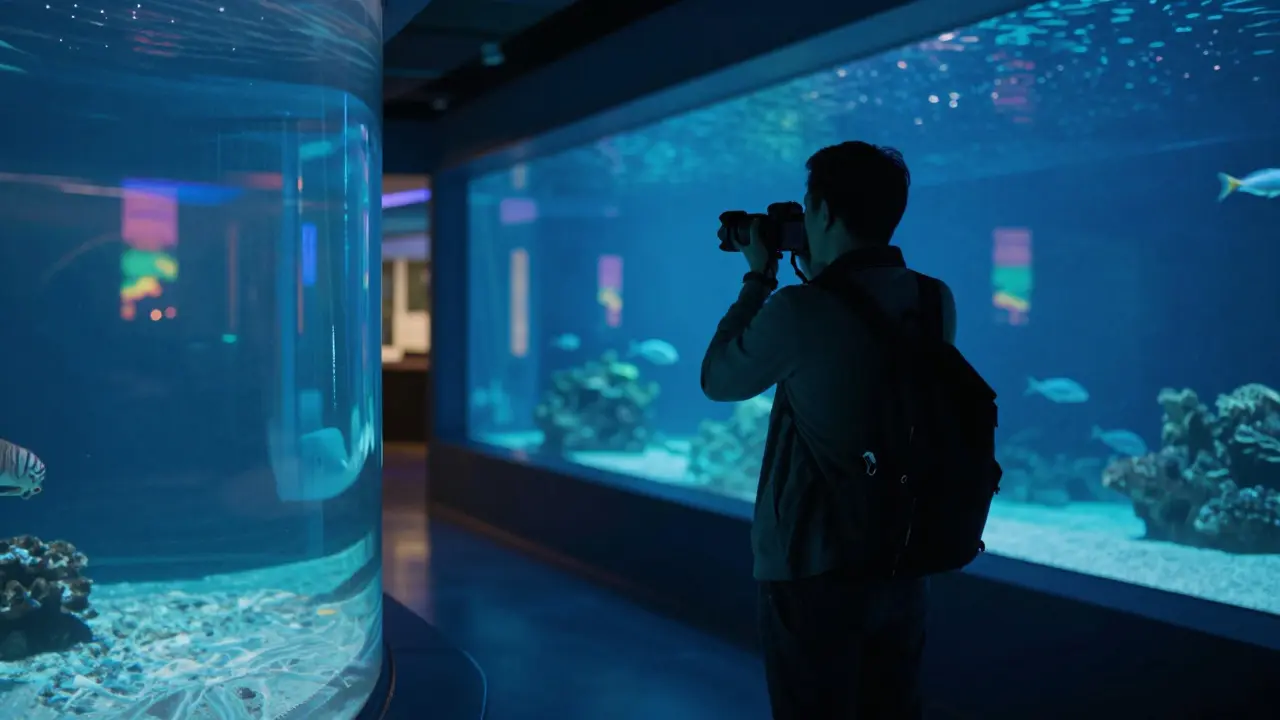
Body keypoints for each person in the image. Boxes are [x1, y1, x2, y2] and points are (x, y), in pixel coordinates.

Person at [699, 141, 957, 720]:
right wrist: (824, 271)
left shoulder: (799, 309)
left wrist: (758, 278)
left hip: (814, 567)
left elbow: (718, 379)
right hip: (904, 556)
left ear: (822, 211)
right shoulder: (934, 299)